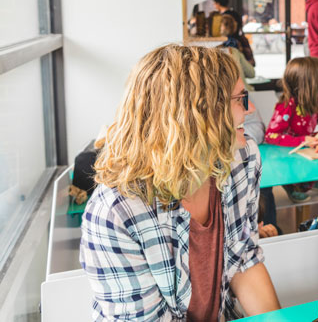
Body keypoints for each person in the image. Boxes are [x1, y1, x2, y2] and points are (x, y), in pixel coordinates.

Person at [80, 45, 280, 320]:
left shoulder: (241, 160)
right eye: (239, 99)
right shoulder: (115, 212)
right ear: (195, 115)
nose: (251, 109)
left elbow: (243, 260)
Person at [264, 57, 318, 203]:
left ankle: (316, 180)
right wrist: (302, 140)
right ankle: (292, 185)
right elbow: (271, 136)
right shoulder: (287, 106)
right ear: (310, 84)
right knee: (294, 165)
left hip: (306, 145)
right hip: (287, 150)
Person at [213, 0, 255, 65]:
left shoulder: (221, 17)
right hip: (239, 43)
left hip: (229, 45)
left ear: (218, 3)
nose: (214, 5)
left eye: (214, 3)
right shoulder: (236, 14)